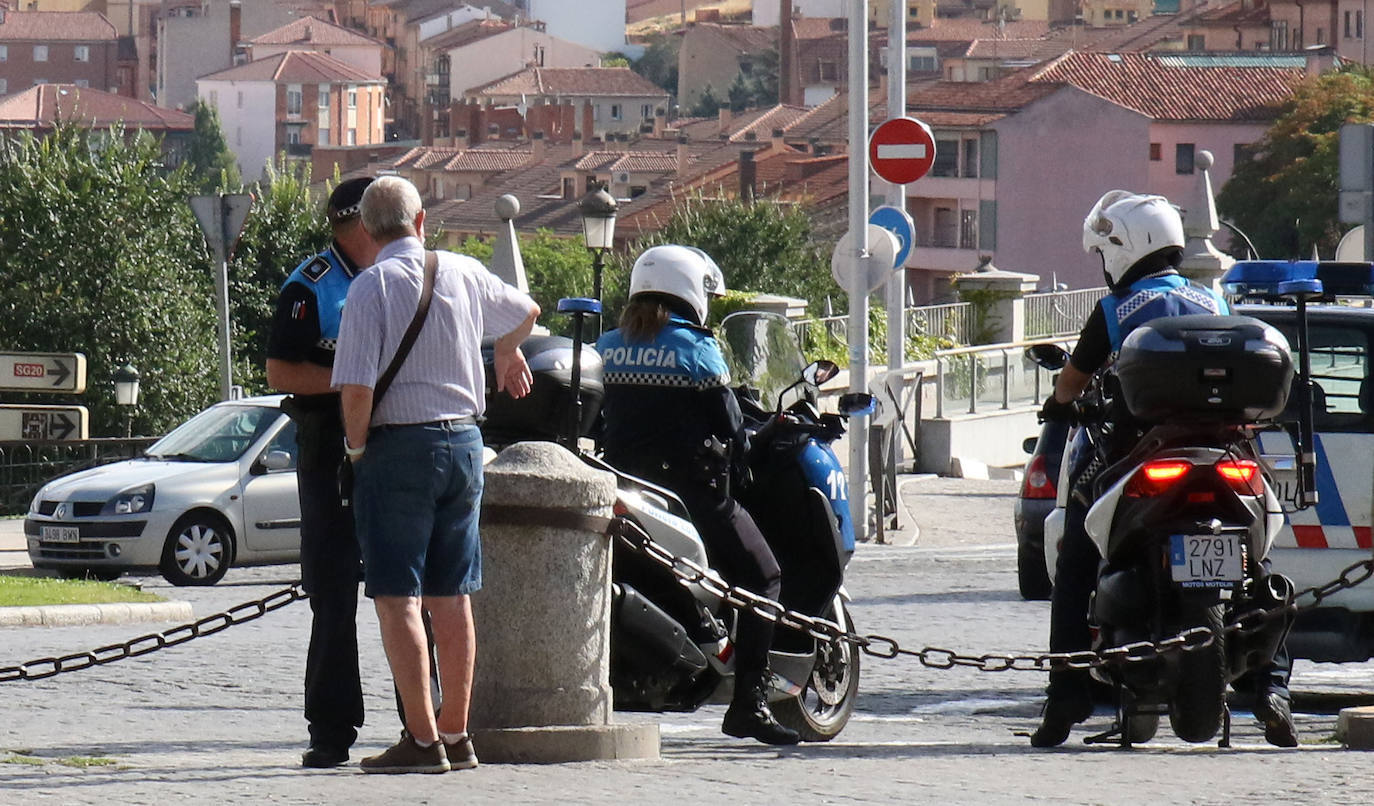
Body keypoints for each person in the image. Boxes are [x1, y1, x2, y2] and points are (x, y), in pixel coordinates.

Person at [1030, 190, 1297, 748]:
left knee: (1076, 557)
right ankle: (1273, 690)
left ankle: (1066, 697)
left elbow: (1073, 382)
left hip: (1137, 455)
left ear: (1124, 250)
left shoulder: (1116, 310)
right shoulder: (1213, 302)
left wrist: (1058, 405)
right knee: (1261, 563)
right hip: (1222, 457)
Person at [331, 175, 539, 774]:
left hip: (400, 448)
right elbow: (526, 310)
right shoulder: (463, 271)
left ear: (368, 232)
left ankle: (422, 742)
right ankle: (457, 733)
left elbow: (356, 389)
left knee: (398, 597)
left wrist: (356, 452)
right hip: (465, 443)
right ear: (422, 223)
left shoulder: (370, 287)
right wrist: (504, 350)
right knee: (453, 598)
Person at [594, 244, 801, 746]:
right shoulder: (695, 347)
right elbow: (731, 425)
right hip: (691, 494)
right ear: (691, 291)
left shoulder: (606, 344)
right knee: (763, 576)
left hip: (625, 490)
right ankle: (748, 702)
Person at [266, 176, 378, 769]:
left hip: (392, 443)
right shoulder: (310, 286)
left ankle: (433, 721)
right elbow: (280, 372)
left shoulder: (402, 278)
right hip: (328, 446)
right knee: (334, 594)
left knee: (418, 590)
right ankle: (332, 727)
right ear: (361, 224)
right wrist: (351, 384)